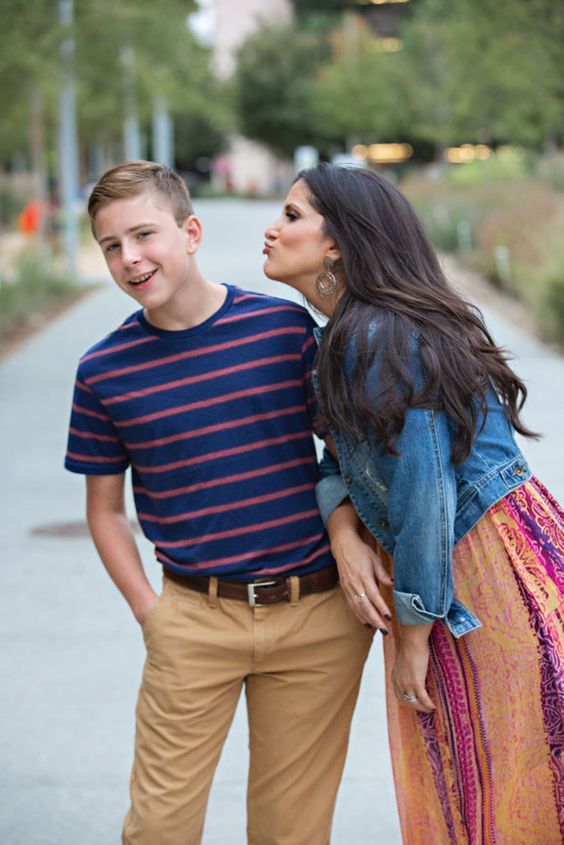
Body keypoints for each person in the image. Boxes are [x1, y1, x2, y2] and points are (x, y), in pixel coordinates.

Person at [64, 160, 377, 845]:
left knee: (289, 831)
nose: (130, 257)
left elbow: (346, 457)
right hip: (192, 619)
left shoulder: (283, 330)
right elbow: (105, 510)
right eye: (111, 245)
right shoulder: (102, 371)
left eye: (144, 234)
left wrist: (349, 535)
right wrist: (152, 613)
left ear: (191, 231)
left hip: (317, 620)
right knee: (158, 827)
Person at [263, 163, 563, 844]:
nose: (271, 229)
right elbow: (344, 457)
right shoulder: (359, 332)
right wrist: (342, 526)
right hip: (499, 558)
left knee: (497, 782)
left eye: (290, 215)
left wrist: (414, 634)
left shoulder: (375, 336)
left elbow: (425, 491)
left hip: (476, 575)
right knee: (506, 777)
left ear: (337, 242)